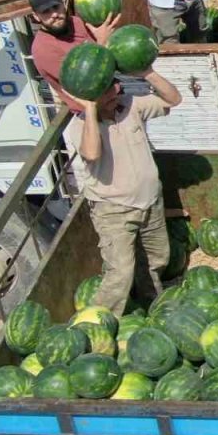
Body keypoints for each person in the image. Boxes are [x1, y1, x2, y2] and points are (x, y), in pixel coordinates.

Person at [63, 68, 183, 316]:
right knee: (120, 274)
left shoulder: (131, 106)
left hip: (150, 202)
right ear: (90, 97)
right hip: (113, 211)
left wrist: (148, 73)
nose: (116, 92)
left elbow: (174, 99)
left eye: (115, 85)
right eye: (107, 91)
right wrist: (90, 109)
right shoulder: (79, 126)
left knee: (158, 258)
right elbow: (92, 153)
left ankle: (150, 303)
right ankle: (97, 324)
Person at [27, 0, 122, 113]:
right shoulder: (42, 49)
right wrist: (101, 43)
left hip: (117, 95)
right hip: (96, 113)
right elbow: (84, 83)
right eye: (45, 12)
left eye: (56, 7)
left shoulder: (76, 22)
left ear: (63, 4)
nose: (54, 14)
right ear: (36, 16)